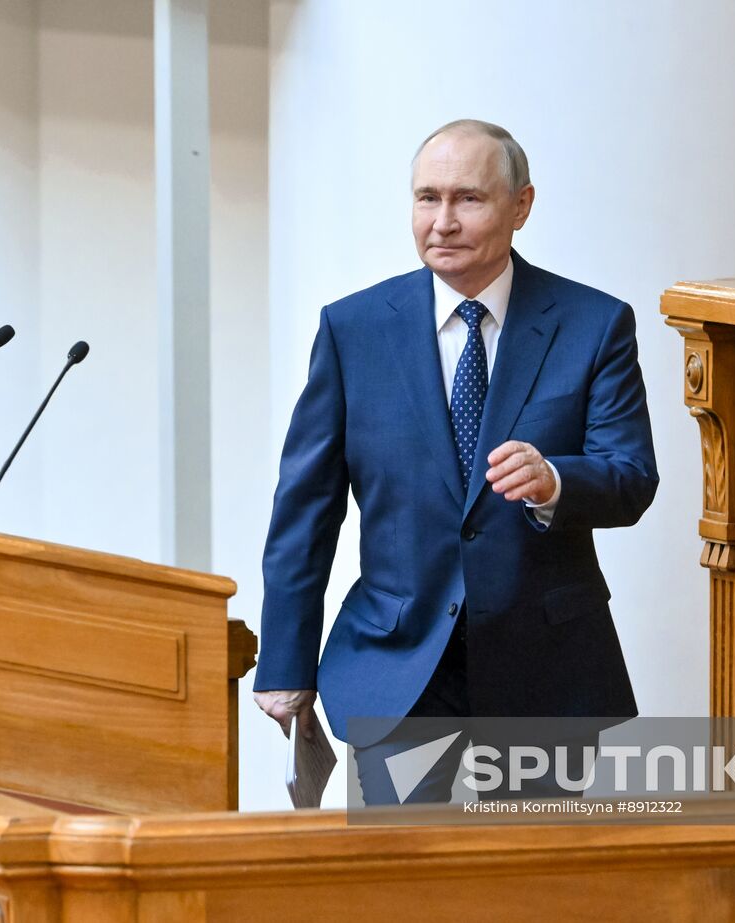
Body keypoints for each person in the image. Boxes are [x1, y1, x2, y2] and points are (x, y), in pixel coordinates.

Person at [253, 119, 658, 805]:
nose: (442, 221)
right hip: (398, 661)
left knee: (530, 884)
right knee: (400, 878)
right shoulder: (353, 329)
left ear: (521, 206)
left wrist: (557, 480)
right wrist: (285, 659)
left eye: (468, 198)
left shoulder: (594, 324)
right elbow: (305, 509)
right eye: (426, 198)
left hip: (545, 665)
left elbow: (630, 475)